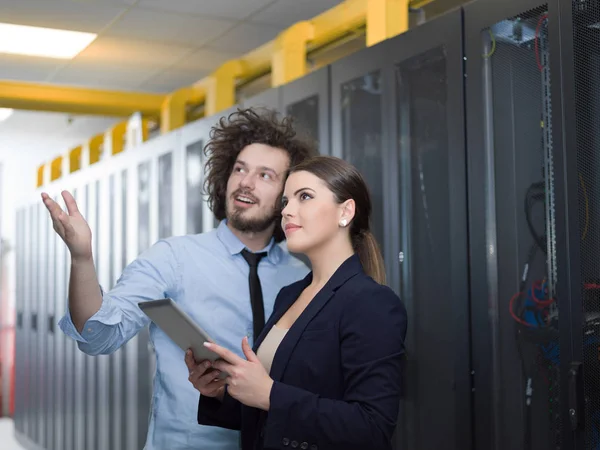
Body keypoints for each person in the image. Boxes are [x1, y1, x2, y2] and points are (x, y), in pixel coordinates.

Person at [41, 108, 317, 450]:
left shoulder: (302, 278)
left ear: (288, 196)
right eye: (240, 169)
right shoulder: (174, 258)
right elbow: (99, 336)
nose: (246, 182)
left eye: (265, 175)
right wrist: (82, 258)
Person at [186, 156, 408, 450]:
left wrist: (269, 394)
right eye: (286, 201)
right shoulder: (289, 295)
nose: (287, 211)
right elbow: (269, 415)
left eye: (305, 197)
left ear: (346, 211)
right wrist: (220, 393)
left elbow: (372, 428)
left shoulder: (372, 303)